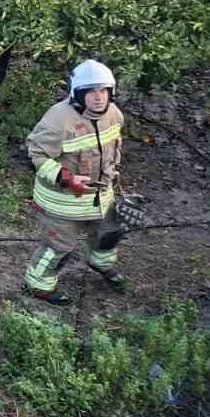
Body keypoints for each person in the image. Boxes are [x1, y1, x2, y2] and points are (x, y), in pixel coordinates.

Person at [22, 59, 127, 304]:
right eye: (91, 91)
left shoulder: (114, 114)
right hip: (62, 203)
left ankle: (101, 264)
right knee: (58, 247)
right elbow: (35, 154)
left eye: (103, 90)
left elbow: (113, 148)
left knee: (109, 233)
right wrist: (65, 178)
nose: (99, 98)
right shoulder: (58, 119)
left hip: (101, 197)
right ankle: (37, 285)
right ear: (77, 93)